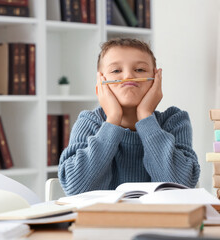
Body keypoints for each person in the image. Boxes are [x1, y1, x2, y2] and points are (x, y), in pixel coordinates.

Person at [58, 38, 200, 195]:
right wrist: (112, 119)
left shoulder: (175, 121)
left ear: (156, 79)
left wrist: (146, 117)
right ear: (100, 82)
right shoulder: (89, 122)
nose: (128, 76)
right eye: (116, 71)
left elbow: (180, 188)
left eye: (139, 70)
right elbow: (75, 188)